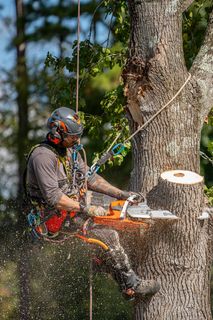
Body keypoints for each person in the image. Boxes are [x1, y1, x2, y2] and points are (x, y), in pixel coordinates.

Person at [24, 106, 160, 300]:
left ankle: (107, 266)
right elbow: (54, 197)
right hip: (54, 217)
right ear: (57, 133)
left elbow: (91, 179)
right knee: (108, 234)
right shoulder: (43, 157)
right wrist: (86, 208)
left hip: (75, 206)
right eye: (72, 136)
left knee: (120, 208)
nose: (76, 140)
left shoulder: (70, 151)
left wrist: (120, 194)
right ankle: (133, 284)